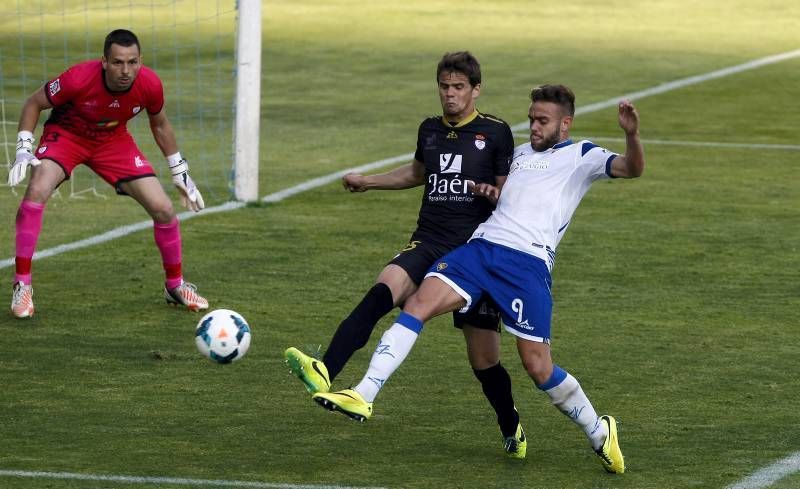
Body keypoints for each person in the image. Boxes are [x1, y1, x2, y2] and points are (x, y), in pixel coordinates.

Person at [313, 84, 646, 474]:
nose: (534, 127)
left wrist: (632, 134)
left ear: (565, 124)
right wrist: (491, 192)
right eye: (531, 119)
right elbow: (503, 196)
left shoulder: (581, 155)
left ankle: (598, 430)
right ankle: (364, 393)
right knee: (418, 304)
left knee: (538, 367)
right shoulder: (517, 156)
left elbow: (631, 168)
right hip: (481, 249)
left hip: (527, 265)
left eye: (543, 121)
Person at [285, 51, 528, 458]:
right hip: (429, 238)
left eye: (458, 88)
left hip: (475, 252)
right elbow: (418, 173)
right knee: (386, 287)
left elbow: (510, 194)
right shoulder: (429, 130)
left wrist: (493, 193)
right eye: (444, 87)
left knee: (484, 362)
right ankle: (325, 368)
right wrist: (369, 182)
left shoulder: (497, 132)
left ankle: (511, 426)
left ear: (476, 90)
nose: (450, 95)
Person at [7, 29, 208, 318]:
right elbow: (33, 103)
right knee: (37, 189)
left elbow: (160, 124)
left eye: (132, 62)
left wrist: (180, 171)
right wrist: (24, 148)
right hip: (67, 136)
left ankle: (174, 286)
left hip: (112, 141)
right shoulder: (78, 78)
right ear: (104, 61)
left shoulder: (150, 84)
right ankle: (22, 285)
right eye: (118, 62)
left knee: (163, 208)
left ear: (140, 61)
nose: (126, 71)